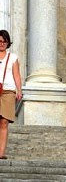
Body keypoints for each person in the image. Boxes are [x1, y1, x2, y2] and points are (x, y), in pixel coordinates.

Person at [0, 29, 23, 159]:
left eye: (4, 41)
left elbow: (17, 75)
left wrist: (19, 90)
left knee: (4, 121)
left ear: (8, 42)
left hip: (8, 90)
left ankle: (1, 153)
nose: (2, 43)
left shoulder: (13, 58)